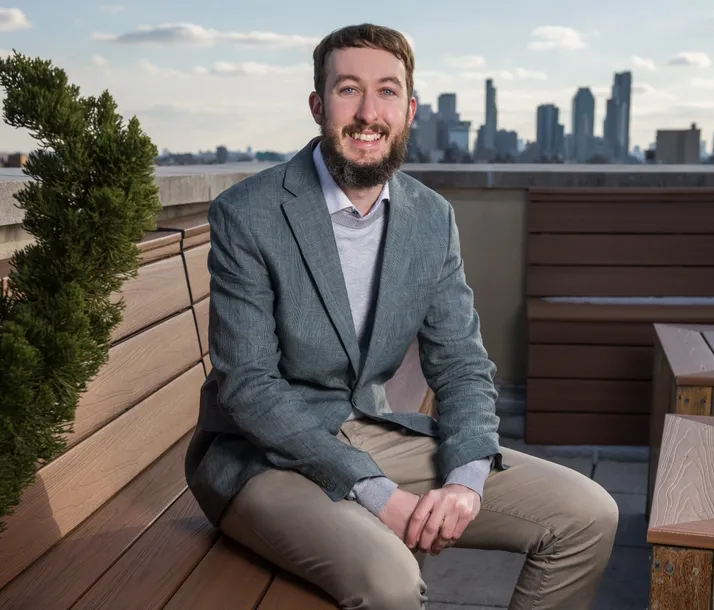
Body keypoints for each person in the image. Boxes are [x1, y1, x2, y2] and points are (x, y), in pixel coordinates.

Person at [185, 22, 619, 610]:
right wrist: (377, 492)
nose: (369, 112)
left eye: (387, 91)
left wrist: (466, 481)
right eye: (348, 90)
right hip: (259, 458)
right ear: (317, 105)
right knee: (389, 580)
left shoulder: (430, 218)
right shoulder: (250, 214)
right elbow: (249, 386)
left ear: (409, 109)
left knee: (589, 515)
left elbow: (462, 364)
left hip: (372, 430)